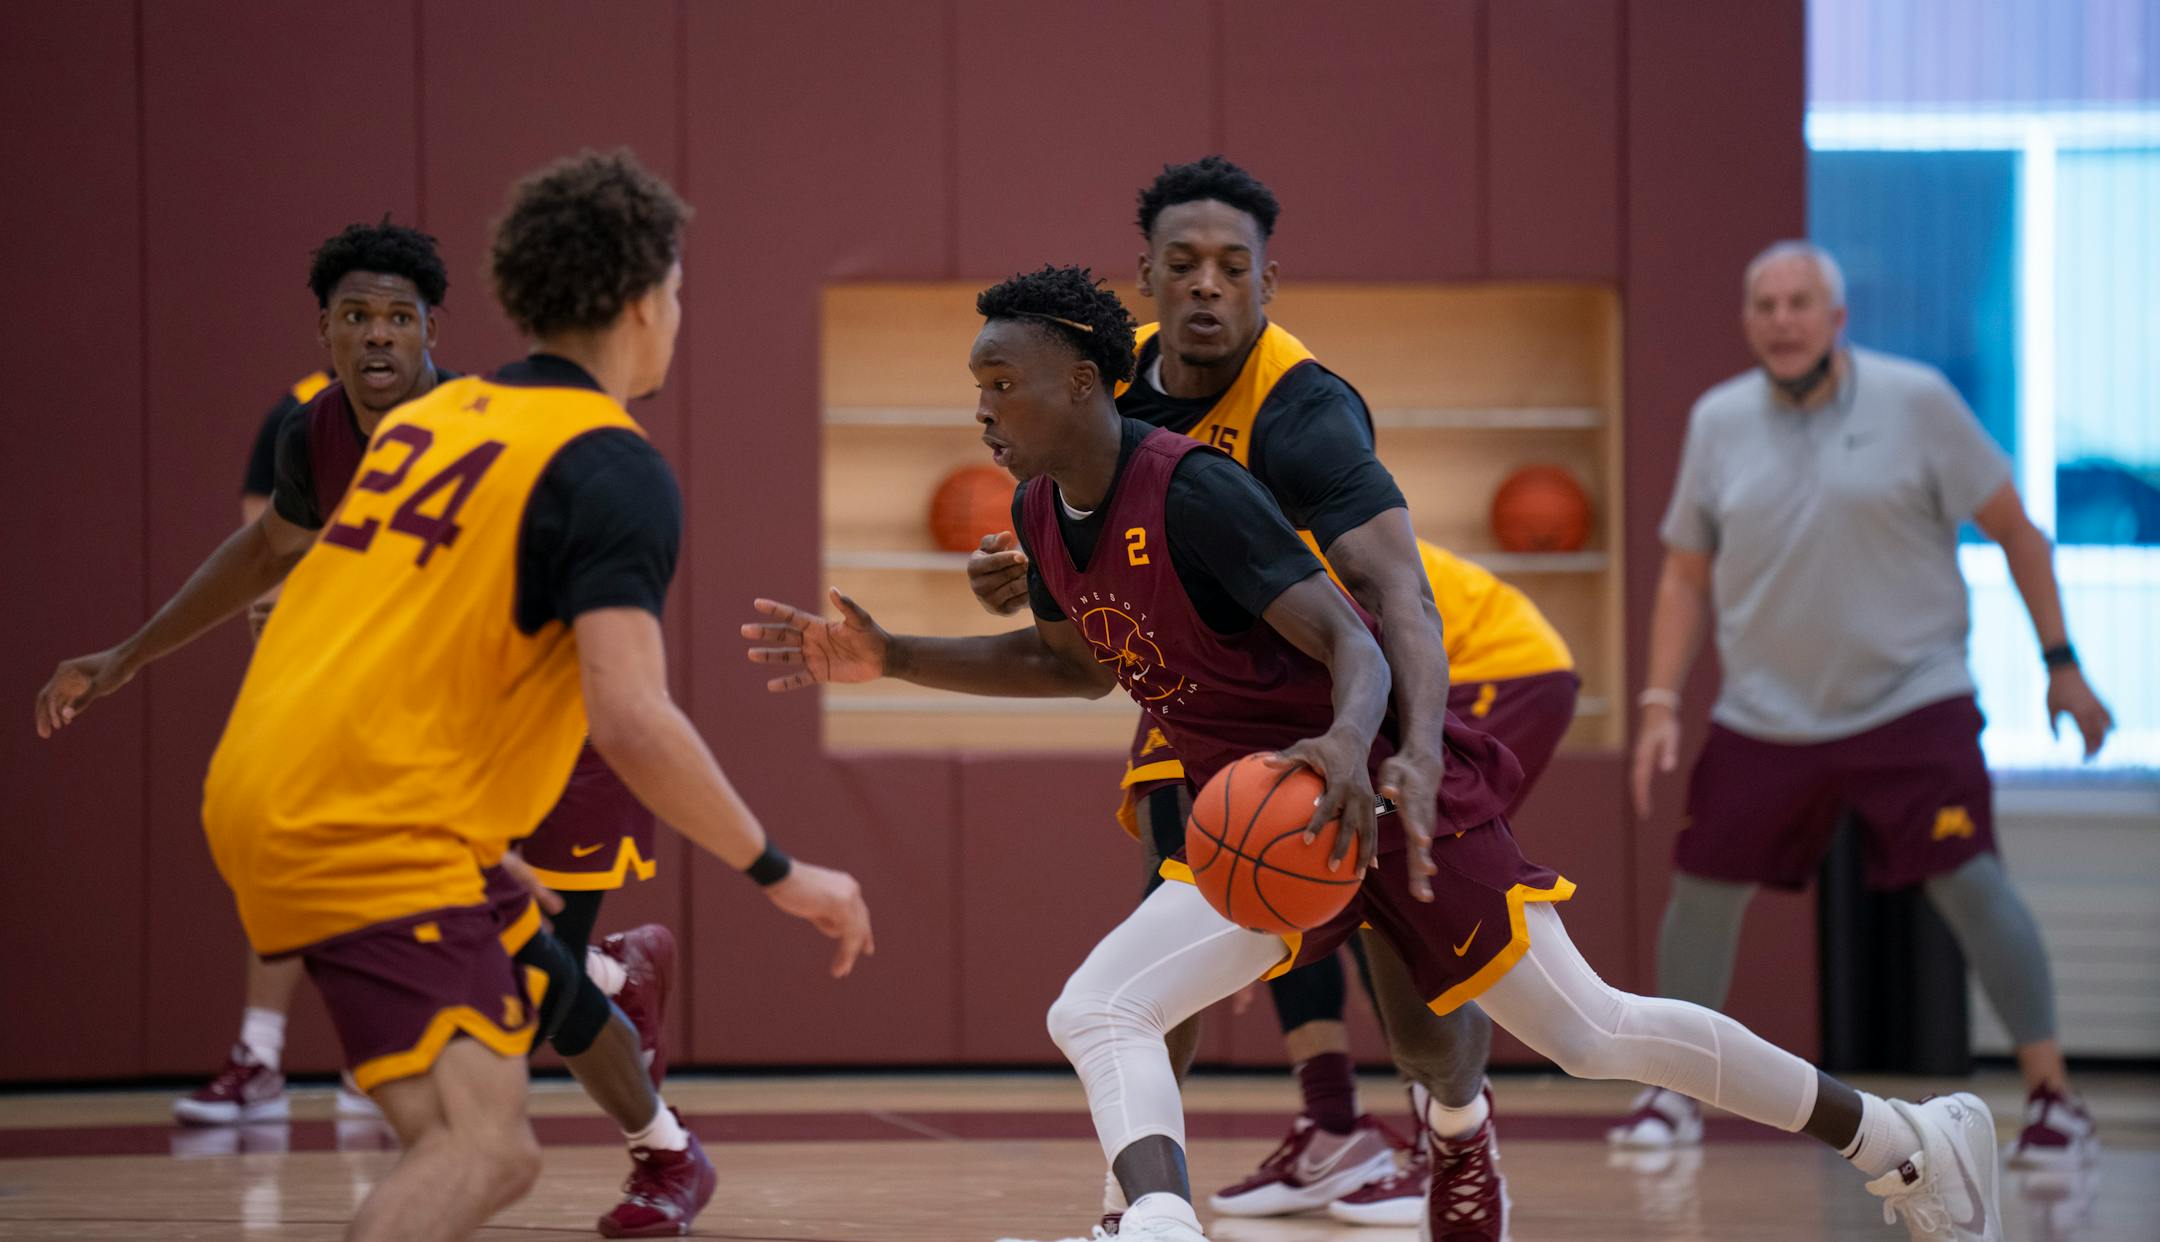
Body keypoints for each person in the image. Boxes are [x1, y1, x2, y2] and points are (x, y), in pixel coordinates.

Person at [745, 266, 2002, 1242]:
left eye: (1000, 379)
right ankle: (1162, 1222)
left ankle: (1905, 1141)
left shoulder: (1196, 490)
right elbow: (1076, 666)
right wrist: (890, 655)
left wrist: (1352, 749)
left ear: (1082, 380)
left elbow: (1357, 639)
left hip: (1381, 793)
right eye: (976, 382)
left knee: (1590, 1032)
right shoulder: (1036, 513)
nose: (980, 405)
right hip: (1269, 818)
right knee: (1100, 1006)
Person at [47, 155, 875, 1242]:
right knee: (483, 1147)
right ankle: (610, 985)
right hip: (371, 816)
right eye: (677, 292)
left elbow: (373, 617)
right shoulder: (609, 466)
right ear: (642, 304)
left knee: (497, 1095)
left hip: (287, 784)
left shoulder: (425, 427)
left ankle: (655, 1118)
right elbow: (632, 718)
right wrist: (785, 874)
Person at [965, 156, 1577, 1231]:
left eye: (1231, 265)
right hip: (1225, 680)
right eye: (1183, 264)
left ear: (1265, 281)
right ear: (1147, 277)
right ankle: (1163, 1192)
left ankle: (1455, 1124)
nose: (1206, 284)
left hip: (1430, 662)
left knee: (1408, 974)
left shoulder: (1305, 410)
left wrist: (1414, 754)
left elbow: (1398, 603)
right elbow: (1086, 533)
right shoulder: (1103, 379)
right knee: (1192, 904)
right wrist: (1034, 568)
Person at [1617, 240, 2113, 1171]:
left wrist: (2062, 663)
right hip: (1766, 710)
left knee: (1971, 881)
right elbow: (1685, 574)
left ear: (1836, 319)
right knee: (1702, 892)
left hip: (1911, 698)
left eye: (1800, 302)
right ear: (1748, 322)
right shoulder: (1718, 420)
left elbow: (2017, 532)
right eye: (1765, 305)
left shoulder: (1918, 402)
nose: (1783, 320)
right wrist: (1658, 701)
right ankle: (1671, 1092)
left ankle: (2055, 1098)